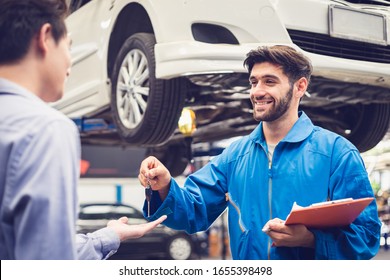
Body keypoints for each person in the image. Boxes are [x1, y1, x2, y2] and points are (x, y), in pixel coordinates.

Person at [139, 45, 382, 259]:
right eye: (253, 82)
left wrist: (311, 239)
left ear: (300, 86)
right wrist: (164, 186)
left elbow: (366, 237)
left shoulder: (337, 154)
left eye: (269, 81)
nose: (257, 91)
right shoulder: (235, 157)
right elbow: (191, 212)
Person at [0, 0, 166, 260]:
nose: (71, 62)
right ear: (45, 38)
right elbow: (50, 265)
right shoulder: (45, 130)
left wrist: (110, 235)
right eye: (69, 47)